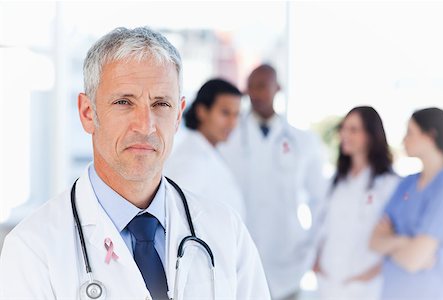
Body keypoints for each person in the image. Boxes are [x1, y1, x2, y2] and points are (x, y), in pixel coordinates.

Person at [0, 27, 270, 300]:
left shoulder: (226, 232)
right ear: (87, 113)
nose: (146, 126)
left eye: (161, 104)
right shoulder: (32, 249)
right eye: (123, 102)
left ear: (178, 115)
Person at [219, 64, 326, 300]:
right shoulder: (229, 138)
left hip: (289, 257)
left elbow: (319, 200)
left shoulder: (302, 141)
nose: (255, 93)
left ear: (277, 88)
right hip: (242, 253)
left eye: (262, 86)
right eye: (250, 87)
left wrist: (313, 247)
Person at [313, 106, 400, 300]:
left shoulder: (388, 184)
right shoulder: (336, 181)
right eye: (344, 128)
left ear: (371, 135)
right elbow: (323, 226)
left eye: (353, 130)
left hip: (365, 286)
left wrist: (368, 275)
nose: (344, 134)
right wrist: (317, 263)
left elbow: (393, 237)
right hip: (328, 282)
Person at [370, 107, 443, 300]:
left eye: (410, 132)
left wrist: (391, 242)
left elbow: (414, 260)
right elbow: (374, 241)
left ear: (430, 136)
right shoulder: (406, 183)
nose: (403, 140)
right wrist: (405, 243)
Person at [164, 79, 246, 220]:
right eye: (225, 113)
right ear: (202, 111)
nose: (232, 123)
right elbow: (178, 217)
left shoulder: (209, 150)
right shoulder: (190, 159)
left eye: (236, 114)